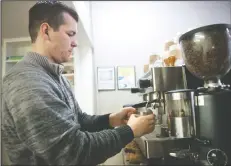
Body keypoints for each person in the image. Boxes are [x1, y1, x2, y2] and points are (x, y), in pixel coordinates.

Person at [1, 1, 155, 165]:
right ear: (46, 31)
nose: (75, 42)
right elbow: (73, 152)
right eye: (70, 33)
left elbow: (78, 120)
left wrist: (111, 120)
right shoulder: (28, 82)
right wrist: (130, 131)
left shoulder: (56, 75)